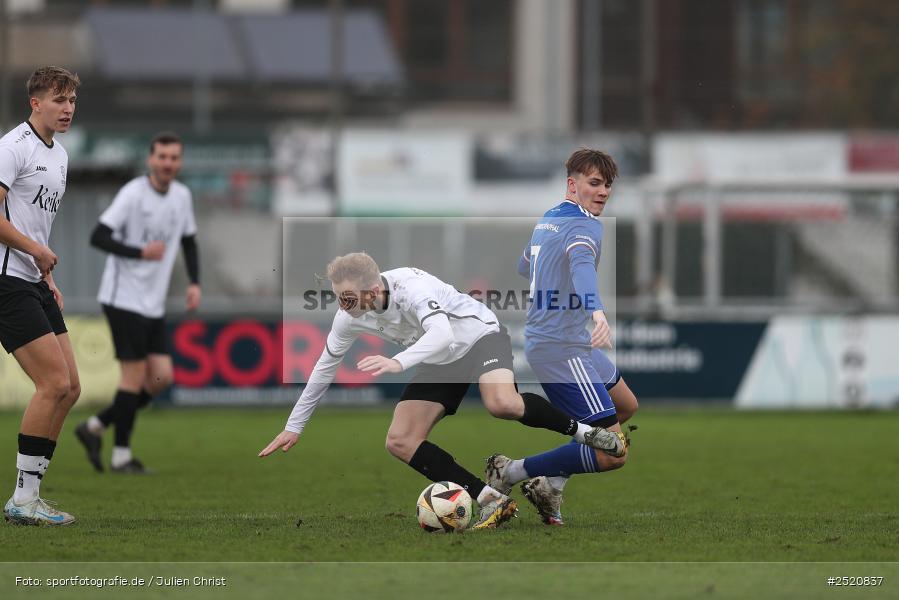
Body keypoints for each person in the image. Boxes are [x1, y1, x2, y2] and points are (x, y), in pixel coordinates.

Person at [259, 252, 625, 530]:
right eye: (338, 298)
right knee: (399, 440)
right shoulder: (350, 316)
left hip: (479, 336)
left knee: (502, 404)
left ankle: (585, 433)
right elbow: (325, 365)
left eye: (349, 299)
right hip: (439, 359)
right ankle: (489, 498)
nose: (343, 307)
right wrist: (294, 425)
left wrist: (398, 363)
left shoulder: (410, 287)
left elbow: (443, 334)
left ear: (373, 290)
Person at [485, 148, 639, 525]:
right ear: (573, 184)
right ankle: (512, 471)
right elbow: (583, 266)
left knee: (625, 406)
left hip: (564, 343)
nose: (603, 191)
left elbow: (526, 266)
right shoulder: (586, 226)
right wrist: (596, 311)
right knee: (613, 452)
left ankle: (550, 483)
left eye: (607, 185)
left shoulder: (550, 219)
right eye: (594, 183)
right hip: (562, 349)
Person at [74, 132, 201, 474]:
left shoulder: (182, 196)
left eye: (174, 158)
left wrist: (194, 282)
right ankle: (122, 457)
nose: (168, 163)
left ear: (180, 162)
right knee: (132, 378)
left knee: (161, 379)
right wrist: (140, 252)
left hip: (153, 304)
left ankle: (95, 427)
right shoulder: (133, 193)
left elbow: (189, 240)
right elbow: (98, 235)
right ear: (151, 159)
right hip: (123, 298)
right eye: (162, 157)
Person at [0, 66, 81, 526]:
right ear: (36, 103)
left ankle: (31, 494)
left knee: (70, 387)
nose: (67, 109)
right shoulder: (12, 148)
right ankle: (22, 500)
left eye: (71, 101)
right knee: (51, 384)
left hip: (33, 280)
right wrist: (34, 251)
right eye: (58, 100)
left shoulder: (60, 156)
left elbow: (35, 225)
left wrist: (48, 277)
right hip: (6, 281)